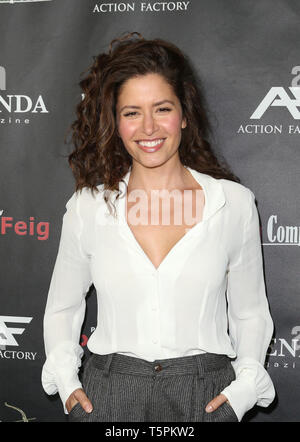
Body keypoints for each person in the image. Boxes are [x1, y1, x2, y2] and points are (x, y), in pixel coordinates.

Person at [41, 32, 276, 422]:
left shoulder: (231, 203)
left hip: (207, 393)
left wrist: (245, 388)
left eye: (162, 108)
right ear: (116, 124)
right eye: (131, 112)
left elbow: (250, 313)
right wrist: (67, 383)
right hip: (108, 394)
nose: (148, 127)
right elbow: (62, 308)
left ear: (184, 114)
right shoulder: (88, 207)